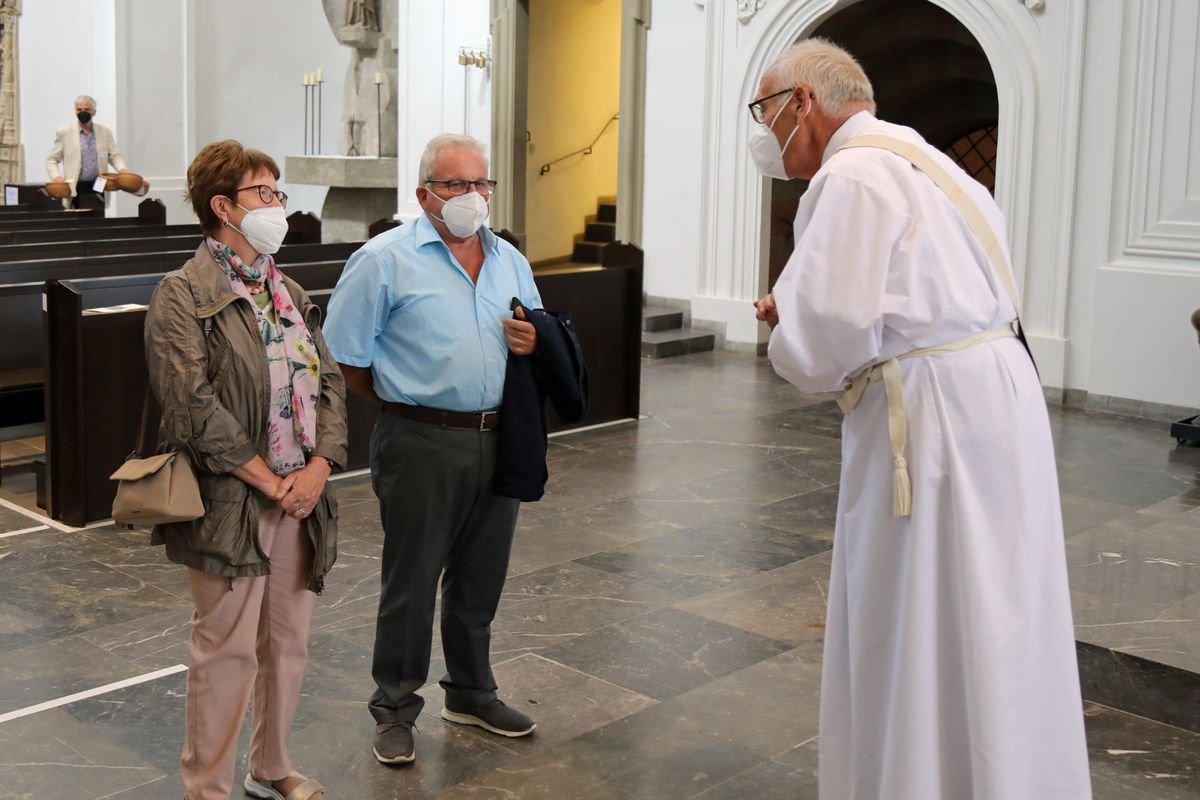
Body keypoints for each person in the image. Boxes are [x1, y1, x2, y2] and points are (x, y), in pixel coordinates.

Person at [749, 40, 1091, 799]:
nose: (764, 132)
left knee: (923, 608)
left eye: (765, 111)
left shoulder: (848, 176)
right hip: (995, 392)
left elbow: (825, 341)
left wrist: (786, 325)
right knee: (995, 601)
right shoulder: (935, 164)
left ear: (803, 103)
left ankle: (922, 777)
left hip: (934, 419)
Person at [323, 133, 542, 766]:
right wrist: (404, 402)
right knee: (412, 581)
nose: (472, 195)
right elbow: (342, 357)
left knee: (481, 578)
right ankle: (394, 707)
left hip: (498, 435)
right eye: (455, 184)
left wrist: (532, 341)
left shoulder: (509, 259)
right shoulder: (383, 260)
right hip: (419, 439)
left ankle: (471, 692)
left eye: (480, 183)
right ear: (424, 195)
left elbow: (536, 329)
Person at [144, 139, 347, 800]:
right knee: (226, 650)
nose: (277, 205)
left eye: (278, 192)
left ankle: (272, 766)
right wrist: (268, 480)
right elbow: (191, 406)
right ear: (222, 206)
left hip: (299, 495)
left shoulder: (286, 289)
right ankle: (207, 789)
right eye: (263, 193)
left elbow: (330, 383)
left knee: (287, 645)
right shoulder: (183, 294)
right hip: (233, 499)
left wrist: (318, 468)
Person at [44, 95, 128, 209]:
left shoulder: (105, 132)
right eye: (79, 110)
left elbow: (115, 156)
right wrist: (57, 177)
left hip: (99, 185)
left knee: (98, 216)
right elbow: (51, 159)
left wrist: (122, 170)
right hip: (76, 186)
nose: (83, 112)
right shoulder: (65, 132)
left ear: (94, 112)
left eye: (87, 109)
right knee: (78, 218)